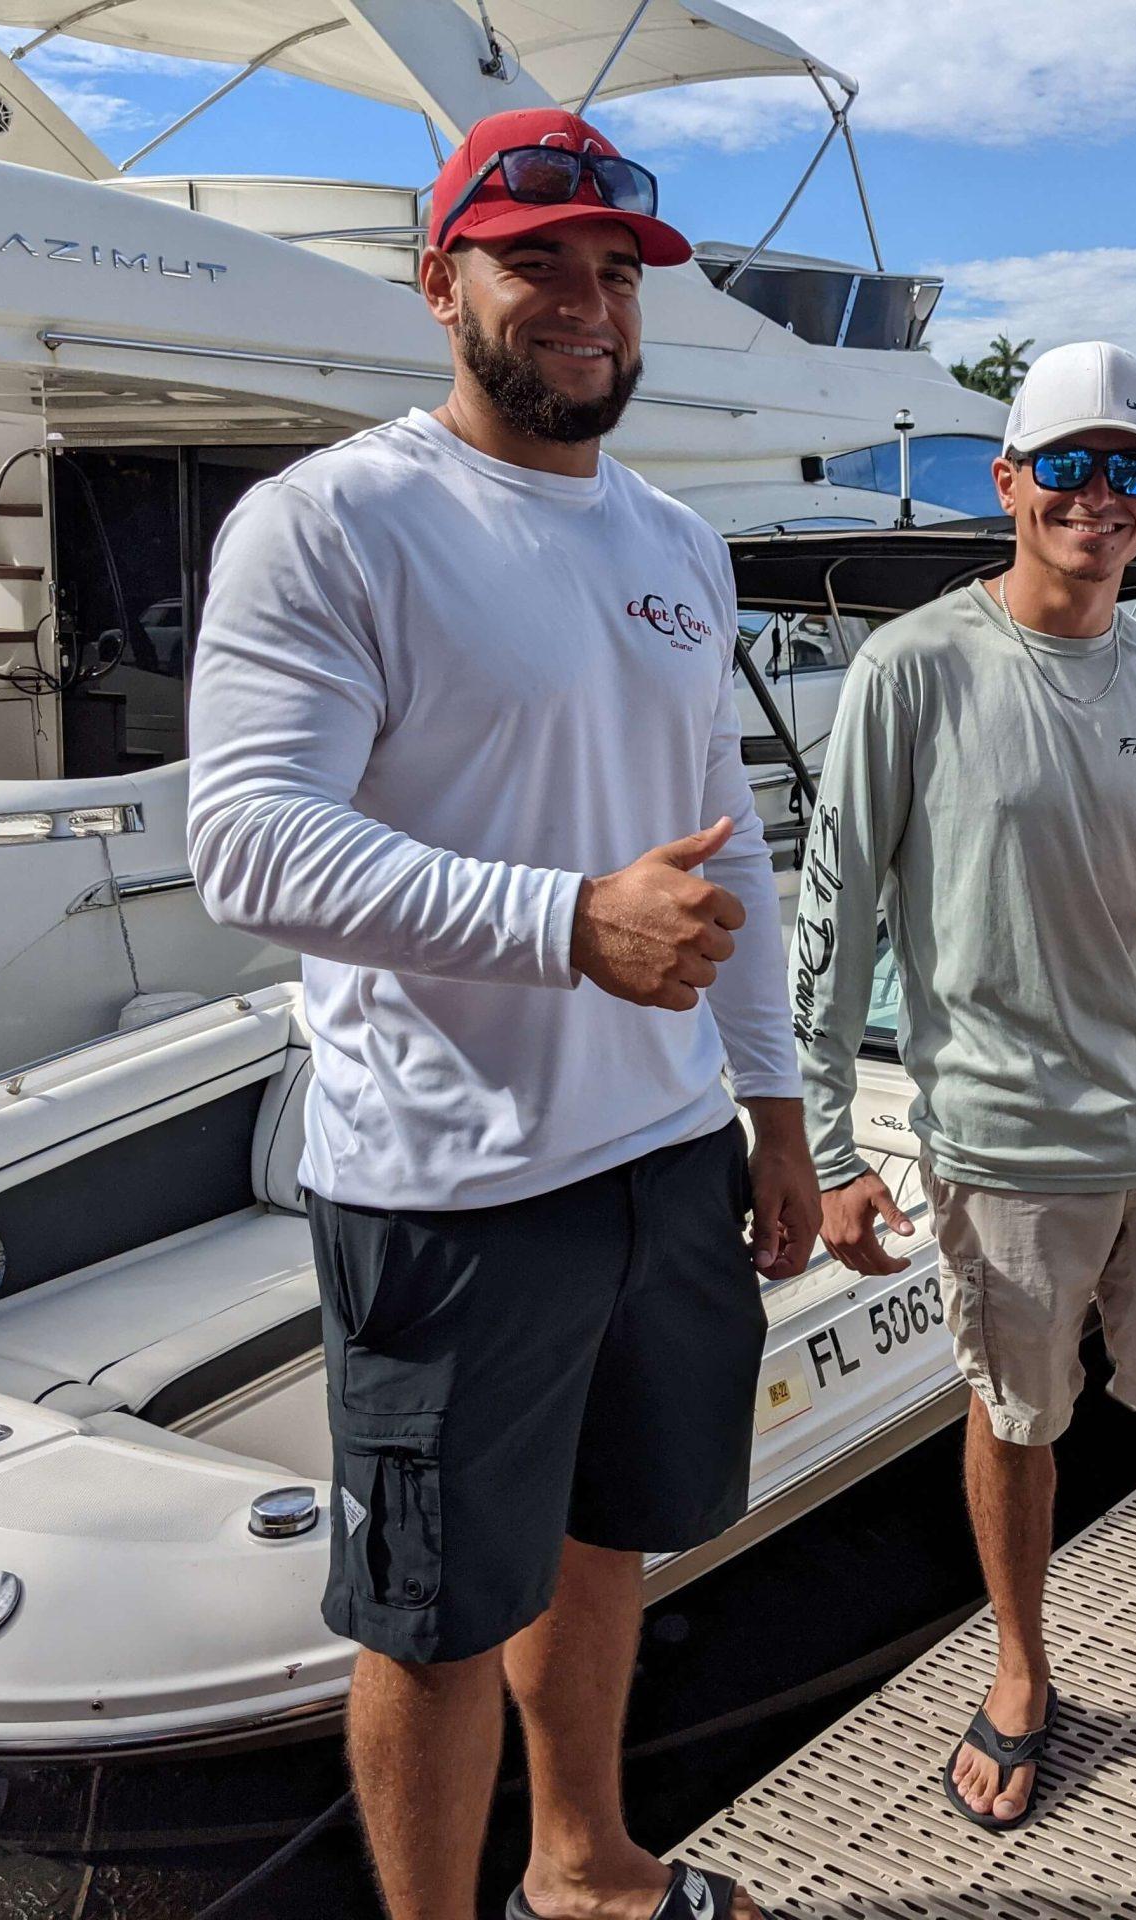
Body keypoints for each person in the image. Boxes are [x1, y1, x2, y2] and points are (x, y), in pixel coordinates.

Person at [187, 108, 815, 1920]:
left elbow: (731, 857)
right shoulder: (332, 522)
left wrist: (773, 1110)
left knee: (607, 1535)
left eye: (616, 274)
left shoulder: (678, 542)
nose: (585, 304)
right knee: (440, 1613)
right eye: (537, 261)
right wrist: (563, 924)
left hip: (665, 1148)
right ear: (439, 278)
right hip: (449, 1187)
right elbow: (245, 842)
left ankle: (588, 1866)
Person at [794, 340, 1136, 1832]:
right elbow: (834, 921)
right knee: (1016, 1416)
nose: (1101, 498)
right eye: (1073, 466)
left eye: (1134, 469)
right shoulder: (911, 670)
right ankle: (1024, 1669)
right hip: (1004, 1138)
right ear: (1012, 483)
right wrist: (834, 1147)